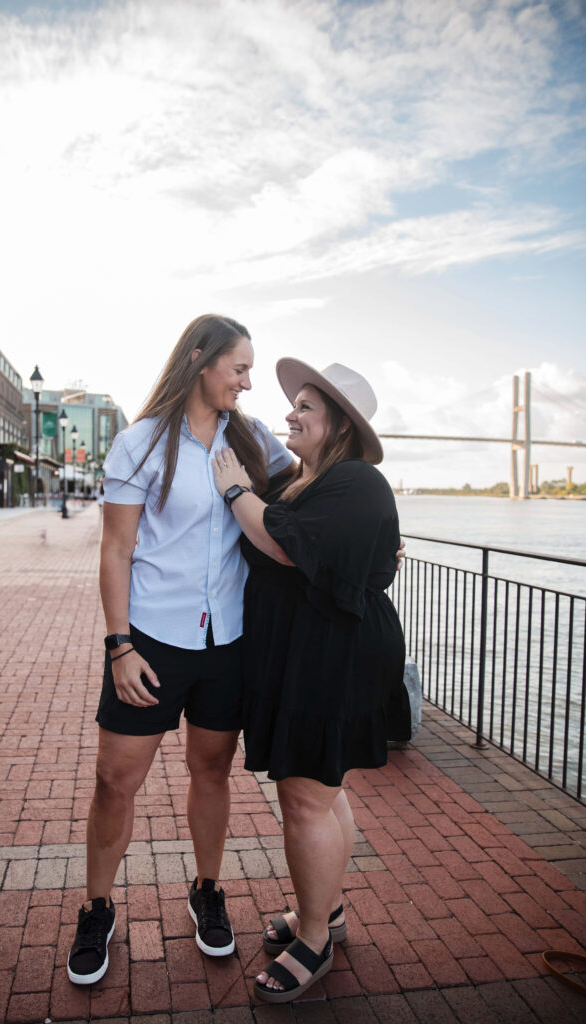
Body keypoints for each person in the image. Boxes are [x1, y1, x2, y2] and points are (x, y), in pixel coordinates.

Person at [66, 314, 295, 985]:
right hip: (153, 642)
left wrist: (365, 531)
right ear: (200, 360)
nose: (248, 383)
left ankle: (206, 890)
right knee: (115, 781)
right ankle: (98, 907)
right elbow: (116, 550)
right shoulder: (140, 443)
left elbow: (305, 488)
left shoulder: (251, 441)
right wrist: (119, 646)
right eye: (240, 368)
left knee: (213, 773)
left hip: (228, 641)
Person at [212, 360, 411, 1003]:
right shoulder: (303, 479)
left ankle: (315, 939)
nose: (291, 414)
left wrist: (234, 491)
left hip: (336, 653)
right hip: (309, 650)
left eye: (306, 407)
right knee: (321, 791)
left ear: (341, 426)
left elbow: (283, 546)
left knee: (304, 799)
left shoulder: (355, 480)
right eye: (292, 404)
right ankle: (326, 910)